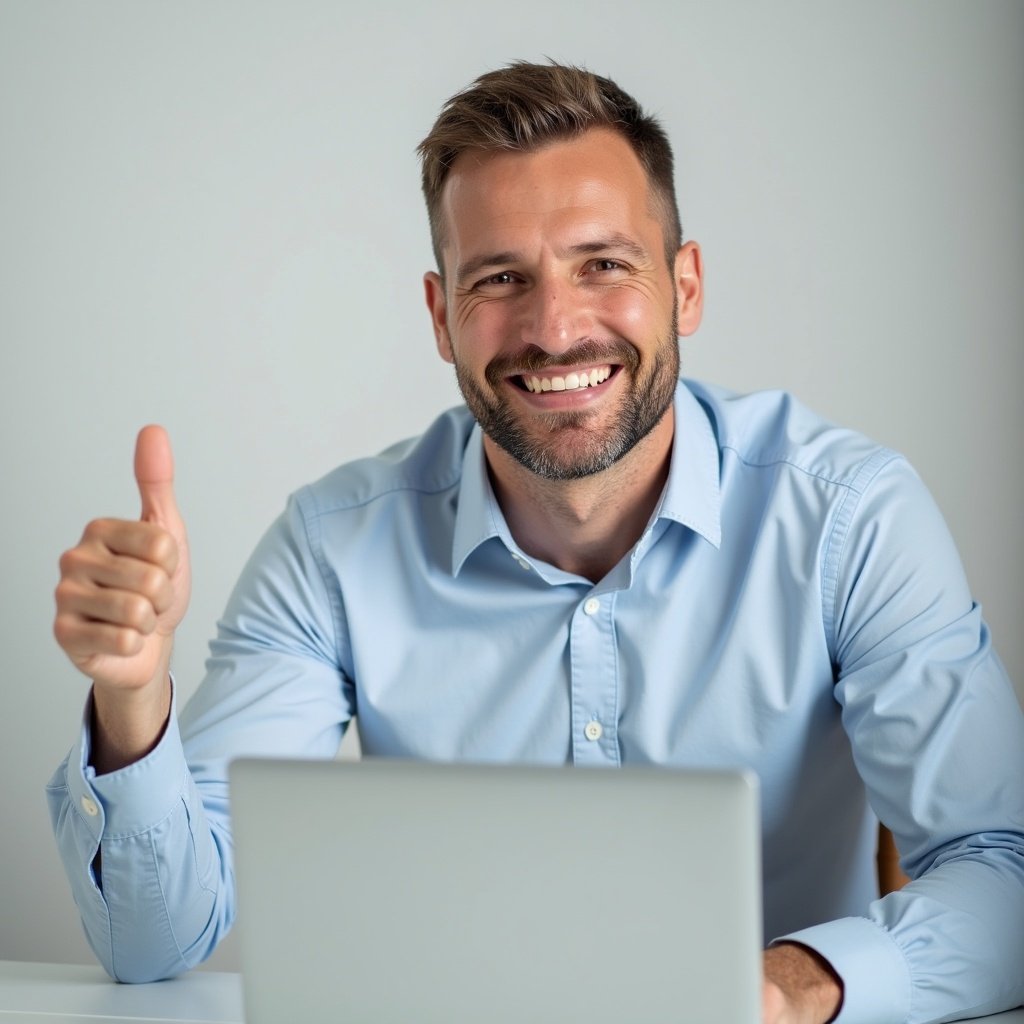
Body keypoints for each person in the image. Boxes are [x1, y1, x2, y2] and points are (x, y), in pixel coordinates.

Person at [49, 61, 1024, 1024]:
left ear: (684, 287)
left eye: (603, 263)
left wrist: (792, 987)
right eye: (501, 278)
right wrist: (132, 700)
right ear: (441, 317)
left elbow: (1005, 871)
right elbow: (152, 948)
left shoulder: (851, 517)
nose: (554, 329)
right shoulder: (330, 548)